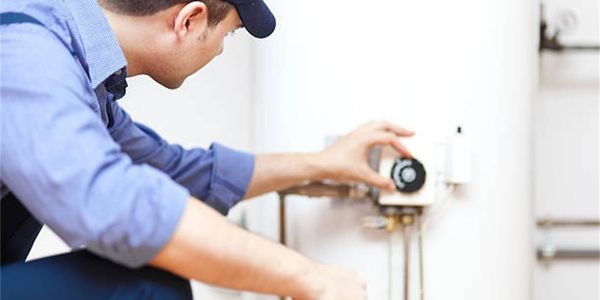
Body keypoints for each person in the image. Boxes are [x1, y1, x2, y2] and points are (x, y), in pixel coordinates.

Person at [0, 0, 414, 299]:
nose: (219, 50)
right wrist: (309, 277)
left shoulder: (83, 78)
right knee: (147, 287)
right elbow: (114, 203)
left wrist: (322, 164)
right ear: (190, 19)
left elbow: (174, 173)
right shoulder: (25, 45)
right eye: (227, 34)